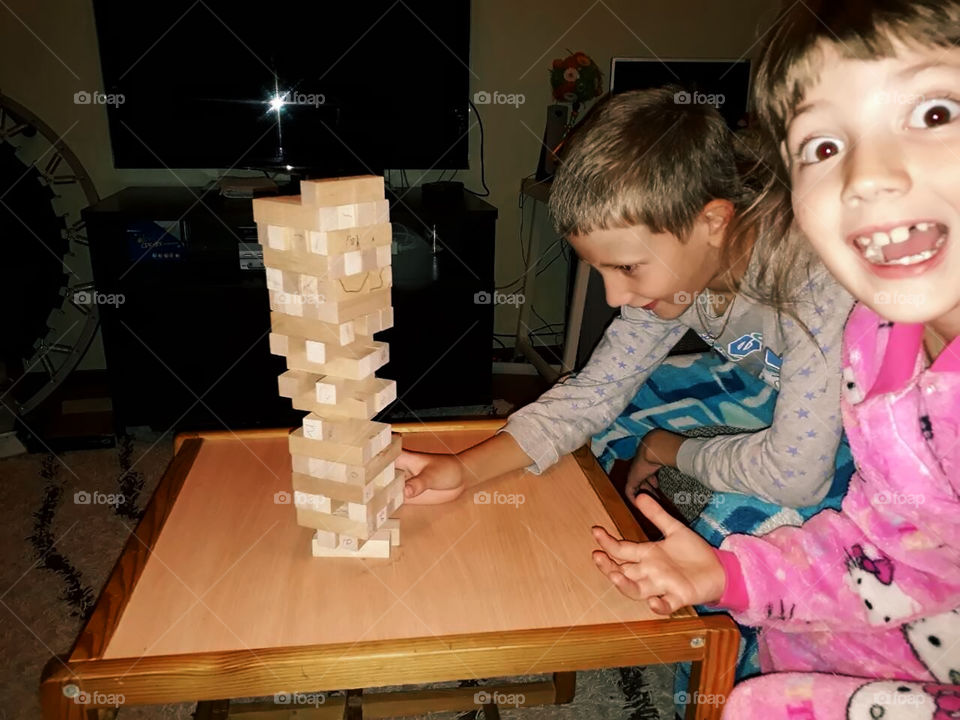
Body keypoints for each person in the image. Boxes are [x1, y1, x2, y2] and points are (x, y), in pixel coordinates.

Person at [399, 87, 855, 679]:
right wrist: (463, 469)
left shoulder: (813, 279)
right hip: (801, 396)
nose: (615, 297)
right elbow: (592, 393)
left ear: (713, 221)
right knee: (612, 409)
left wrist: (670, 451)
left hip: (902, 440)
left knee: (754, 508)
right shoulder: (685, 265)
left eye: (627, 268)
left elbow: (795, 476)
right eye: (600, 269)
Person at [591, 2, 960, 716]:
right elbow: (897, 549)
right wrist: (732, 577)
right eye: (823, 147)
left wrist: (671, 450)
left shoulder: (832, 308)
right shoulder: (874, 339)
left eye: (936, 113)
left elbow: (799, 473)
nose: (868, 177)